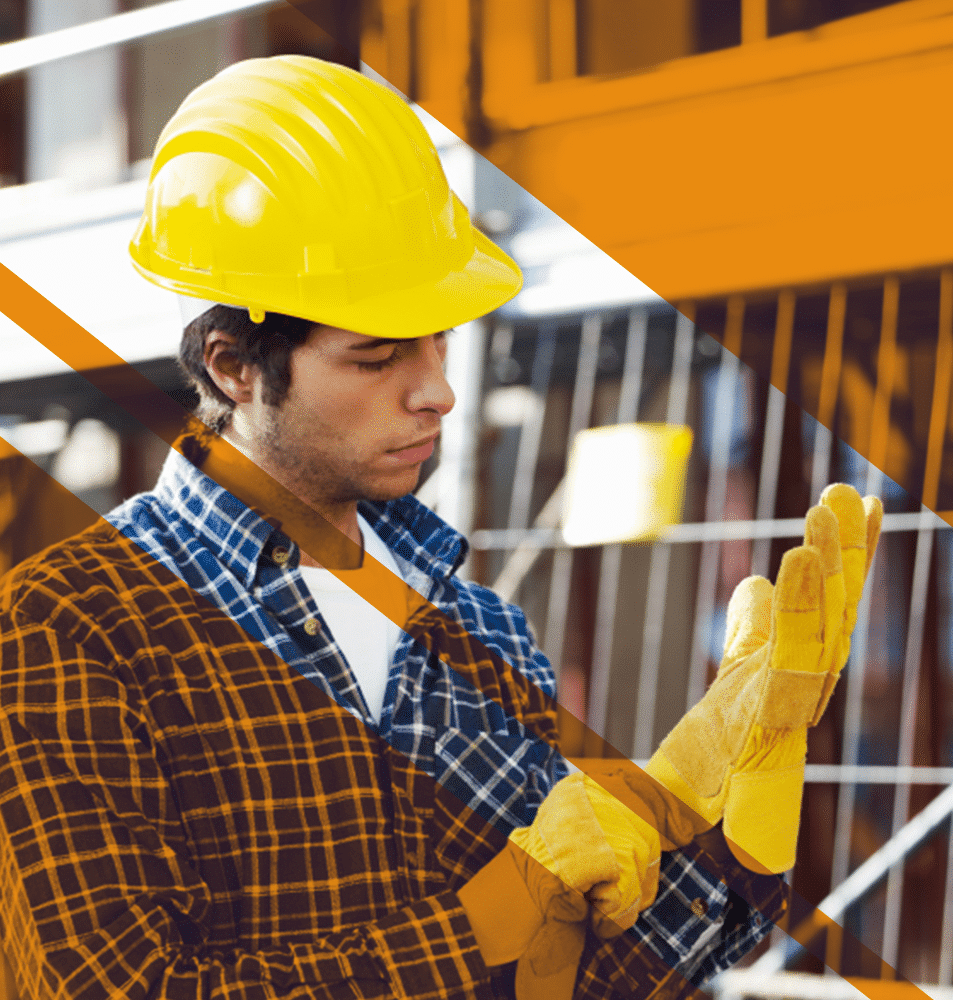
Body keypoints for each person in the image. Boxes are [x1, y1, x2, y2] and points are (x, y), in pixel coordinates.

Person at [0, 56, 880, 1000]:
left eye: (439, 339)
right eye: (377, 355)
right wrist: (489, 920)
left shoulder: (479, 630)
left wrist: (737, 823)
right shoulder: (71, 629)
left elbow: (588, 977)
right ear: (232, 367)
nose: (437, 391)